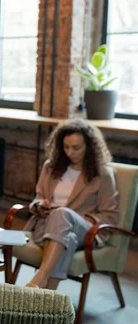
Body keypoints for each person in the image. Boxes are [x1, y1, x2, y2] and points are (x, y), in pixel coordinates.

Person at [25, 119, 118, 289]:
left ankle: (39, 278)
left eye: (76, 148)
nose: (70, 152)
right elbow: (38, 197)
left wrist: (72, 218)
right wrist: (39, 206)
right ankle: (48, 300)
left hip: (85, 230)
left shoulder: (103, 174)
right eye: (66, 147)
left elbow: (109, 216)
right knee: (68, 237)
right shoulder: (51, 167)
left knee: (62, 215)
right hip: (45, 227)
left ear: (89, 147)